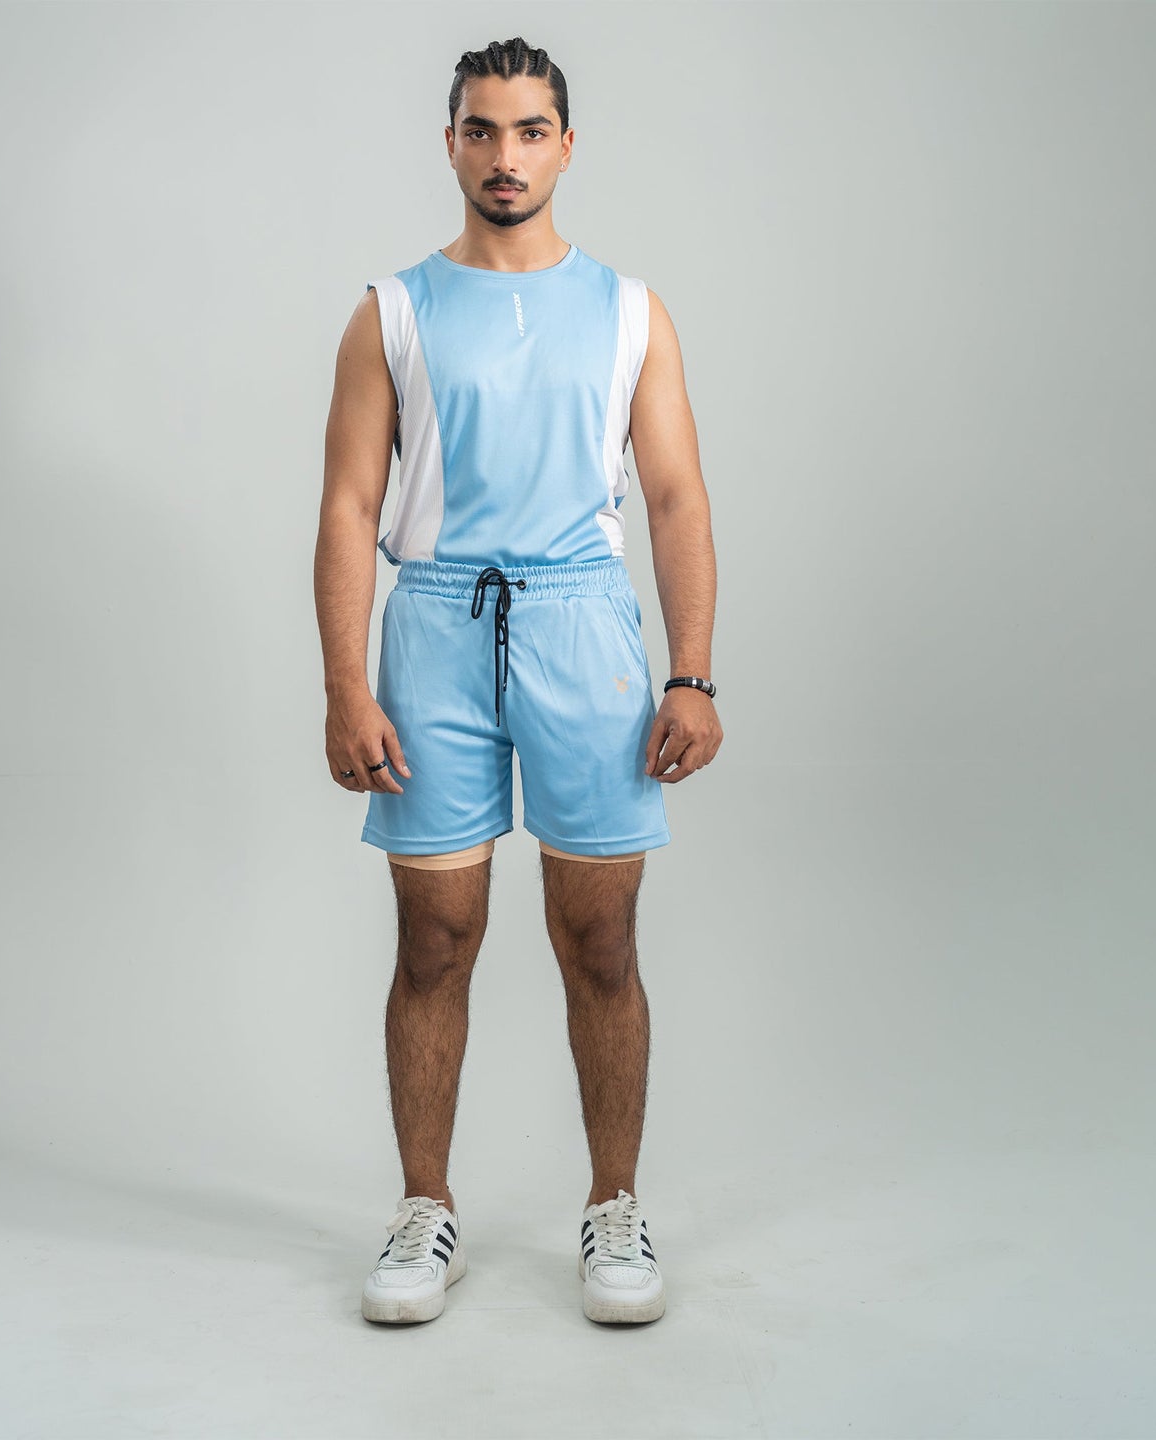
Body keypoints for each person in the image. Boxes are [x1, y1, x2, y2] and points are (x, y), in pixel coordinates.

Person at [314, 35, 721, 1326]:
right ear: (451, 144)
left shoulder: (631, 311)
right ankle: (423, 1209)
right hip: (434, 629)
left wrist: (694, 674)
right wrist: (345, 685)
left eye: (530, 130)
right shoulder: (391, 312)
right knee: (434, 938)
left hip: (583, 630)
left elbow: (675, 498)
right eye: (483, 131)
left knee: (601, 938)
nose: (506, 156)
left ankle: (615, 1206)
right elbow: (348, 506)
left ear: (565, 145)